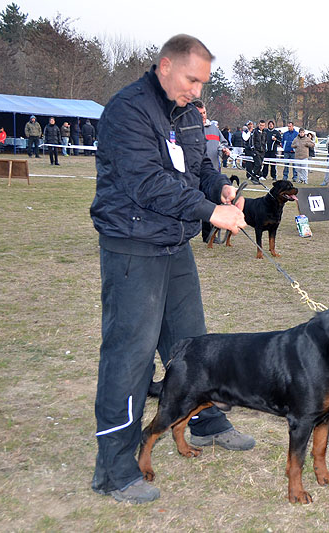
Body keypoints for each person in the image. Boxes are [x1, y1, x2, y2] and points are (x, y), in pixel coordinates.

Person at [89, 34, 253, 505]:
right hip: (133, 246)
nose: (197, 91)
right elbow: (149, 183)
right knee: (130, 356)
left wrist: (220, 188)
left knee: (193, 345)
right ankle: (114, 467)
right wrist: (210, 212)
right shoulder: (128, 110)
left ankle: (204, 420)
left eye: (203, 83)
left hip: (173, 244)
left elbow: (197, 169)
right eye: (192, 80)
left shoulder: (187, 114)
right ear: (165, 66)